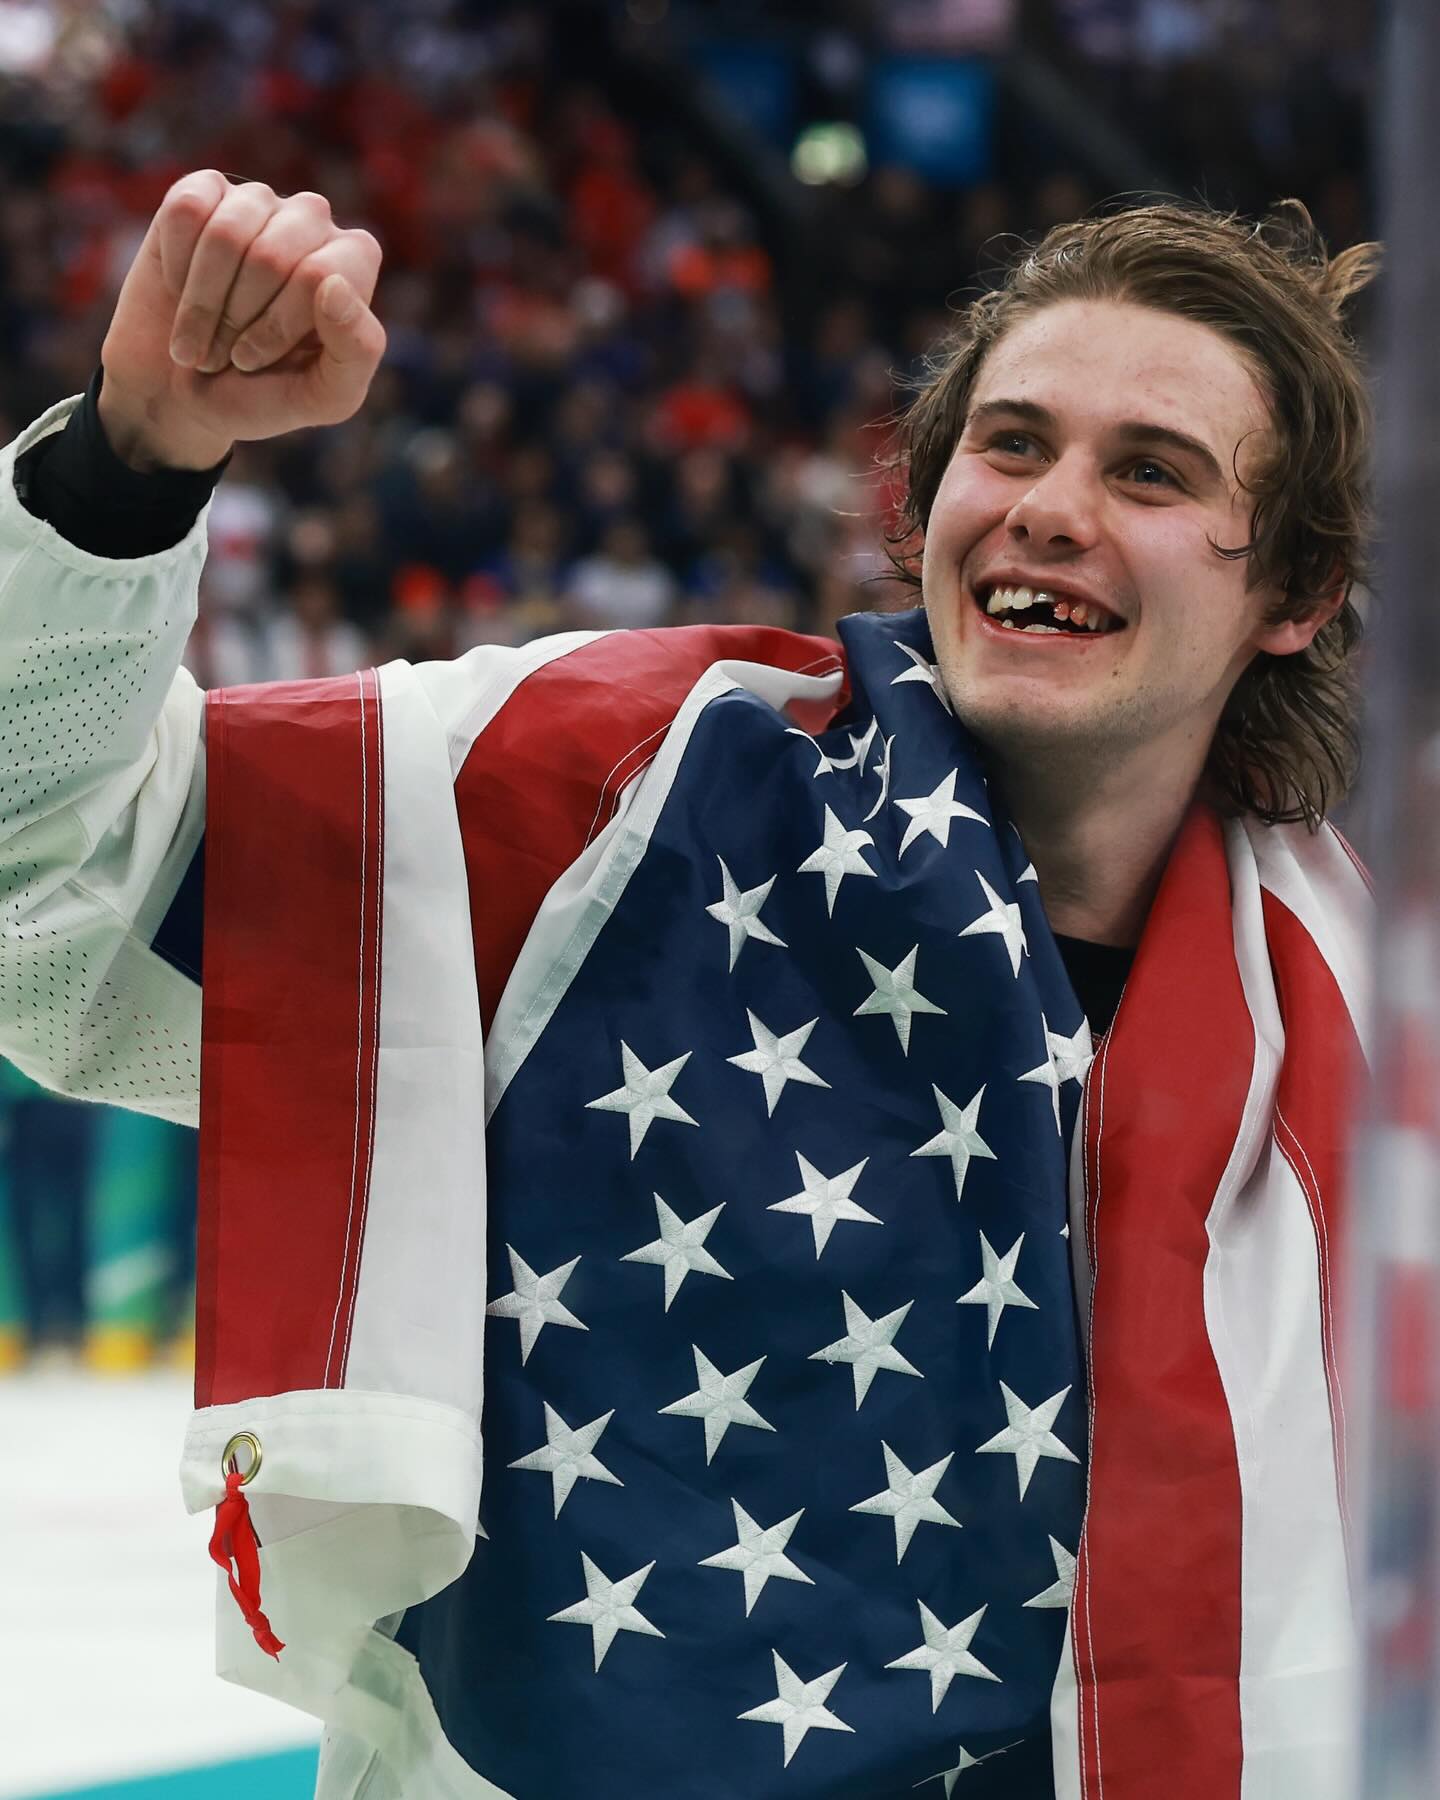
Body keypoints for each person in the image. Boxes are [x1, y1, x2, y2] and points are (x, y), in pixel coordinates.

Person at [0, 172, 1376, 1799]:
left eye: (1150, 472)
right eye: (1011, 445)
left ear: (1290, 597)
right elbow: (52, 883)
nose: (1052, 506)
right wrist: (130, 462)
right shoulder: (609, 788)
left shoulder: (1367, 1029)